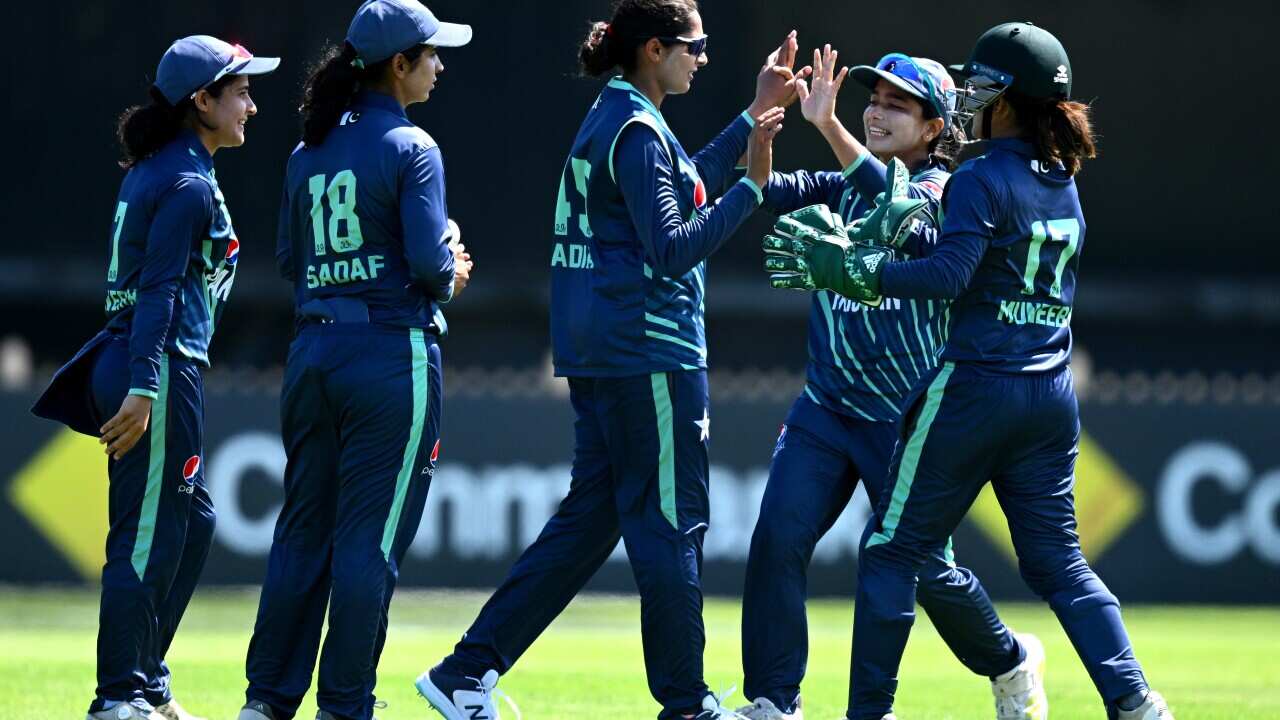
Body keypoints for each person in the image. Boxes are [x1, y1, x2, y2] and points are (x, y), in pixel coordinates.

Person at [765, 21, 1173, 720]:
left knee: (893, 551)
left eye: (982, 86)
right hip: (1050, 393)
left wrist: (862, 272)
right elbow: (936, 229)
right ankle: (1136, 701)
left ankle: (868, 714)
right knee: (1060, 566)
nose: (970, 100)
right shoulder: (1062, 181)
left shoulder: (980, 174)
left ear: (1010, 100)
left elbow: (948, 274)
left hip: (975, 387)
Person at [415, 2, 797, 718]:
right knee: (671, 524)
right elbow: (675, 244)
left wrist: (753, 114)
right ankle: (687, 702)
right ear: (655, 49)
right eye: (696, 46)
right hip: (647, 352)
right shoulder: (634, 129)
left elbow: (684, 185)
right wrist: (752, 185)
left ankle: (464, 673)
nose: (704, 58)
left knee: (591, 523)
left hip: (610, 350)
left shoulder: (624, 116)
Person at [740, 45, 1044, 720]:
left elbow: (901, 207)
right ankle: (772, 701)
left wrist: (828, 124)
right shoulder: (846, 179)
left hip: (905, 418)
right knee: (777, 540)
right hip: (826, 404)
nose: (877, 112)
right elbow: (762, 193)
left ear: (935, 126)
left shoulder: (947, 192)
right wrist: (761, 130)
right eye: (873, 100)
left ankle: (1009, 661)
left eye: (897, 105)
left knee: (928, 572)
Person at [30, 34, 279, 720]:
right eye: (241, 93)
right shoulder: (186, 182)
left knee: (191, 525)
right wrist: (144, 386)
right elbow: (160, 293)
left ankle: (146, 681)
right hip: (156, 364)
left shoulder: (161, 168)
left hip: (147, 359)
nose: (251, 106)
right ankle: (118, 699)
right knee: (145, 538)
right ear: (201, 102)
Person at [237, 2, 471, 719]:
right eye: (429, 54)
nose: (439, 64)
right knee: (367, 547)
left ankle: (266, 702)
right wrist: (454, 264)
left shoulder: (305, 153)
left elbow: (287, 260)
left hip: (312, 351)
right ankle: (344, 707)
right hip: (389, 355)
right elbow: (434, 268)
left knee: (301, 535)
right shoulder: (412, 147)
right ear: (397, 66)